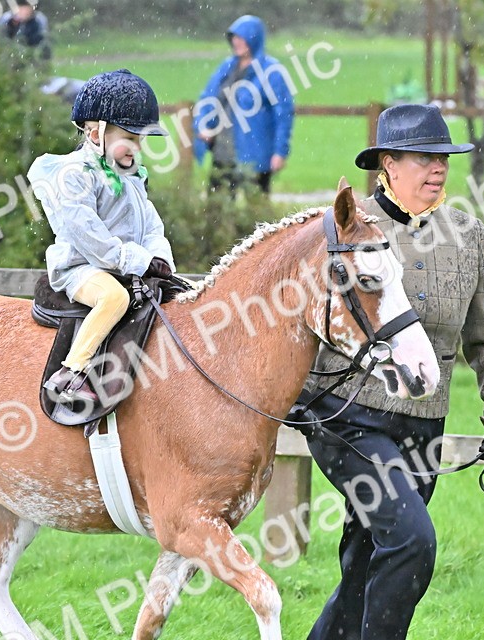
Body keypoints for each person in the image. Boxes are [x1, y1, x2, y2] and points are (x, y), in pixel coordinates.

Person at [290, 104, 484, 640]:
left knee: (369, 551)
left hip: (424, 421)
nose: (438, 169)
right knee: (412, 538)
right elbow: (293, 315)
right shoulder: (348, 228)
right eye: (423, 158)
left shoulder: (468, 235)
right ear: (387, 165)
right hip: (346, 414)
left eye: (443, 158)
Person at [26, 69, 177, 406]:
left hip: (121, 267)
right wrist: (138, 261)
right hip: (80, 268)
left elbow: (151, 225)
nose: (137, 148)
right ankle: (70, 372)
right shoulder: (74, 177)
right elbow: (91, 239)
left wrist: (160, 259)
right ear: (96, 134)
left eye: (140, 141)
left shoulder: (131, 176)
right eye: (130, 138)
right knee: (114, 298)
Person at [193, 14, 294, 194]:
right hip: (223, 151)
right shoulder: (227, 67)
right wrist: (203, 125)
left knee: (256, 207)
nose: (236, 42)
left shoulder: (271, 72)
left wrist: (280, 151)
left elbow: (283, 115)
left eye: (242, 38)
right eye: (234, 38)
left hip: (256, 155)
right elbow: (207, 98)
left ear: (254, 39)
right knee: (217, 205)